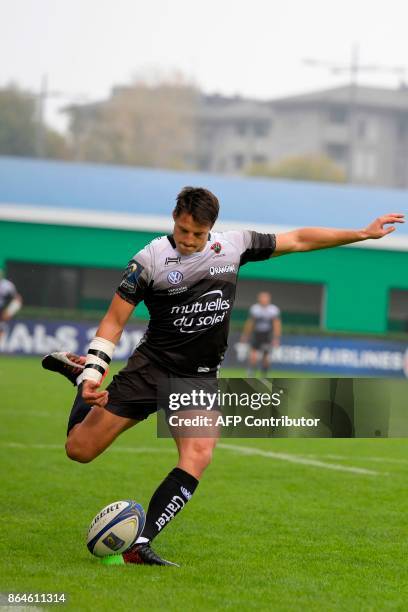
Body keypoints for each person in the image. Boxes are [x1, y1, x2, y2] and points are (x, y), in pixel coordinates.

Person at [41, 186, 404, 565]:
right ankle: (79, 372)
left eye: (198, 234)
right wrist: (94, 375)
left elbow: (297, 239)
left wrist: (361, 233)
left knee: (198, 454)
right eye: (183, 231)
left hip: (197, 379)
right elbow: (114, 321)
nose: (189, 240)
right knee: (79, 450)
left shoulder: (234, 246)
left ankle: (140, 544)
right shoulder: (148, 261)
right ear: (174, 220)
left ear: (211, 228)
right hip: (150, 368)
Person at [240, 291, 281, 376]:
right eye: (262, 297)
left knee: (266, 356)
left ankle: (264, 374)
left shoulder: (273, 310)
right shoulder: (255, 309)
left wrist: (276, 338)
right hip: (256, 334)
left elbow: (277, 324)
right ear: (259, 299)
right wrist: (245, 335)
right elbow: (250, 323)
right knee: (253, 356)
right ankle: (251, 372)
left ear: (269, 299)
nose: (263, 299)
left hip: (267, 335)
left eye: (265, 298)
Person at [0, 271, 23, 339]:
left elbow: (18, 299)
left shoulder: (7, 285)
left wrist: (9, 312)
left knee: (1, 328)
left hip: (2, 309)